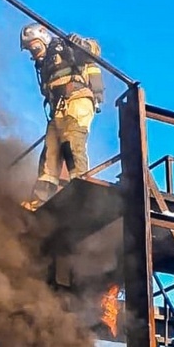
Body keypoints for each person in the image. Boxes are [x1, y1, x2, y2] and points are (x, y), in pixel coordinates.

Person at [19, 23, 104, 211]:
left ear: (44, 39)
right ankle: (39, 200)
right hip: (58, 108)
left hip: (77, 100)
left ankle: (80, 189)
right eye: (30, 51)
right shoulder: (44, 66)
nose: (34, 54)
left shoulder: (65, 48)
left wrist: (81, 44)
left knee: (72, 141)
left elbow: (94, 49)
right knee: (50, 152)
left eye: (35, 48)